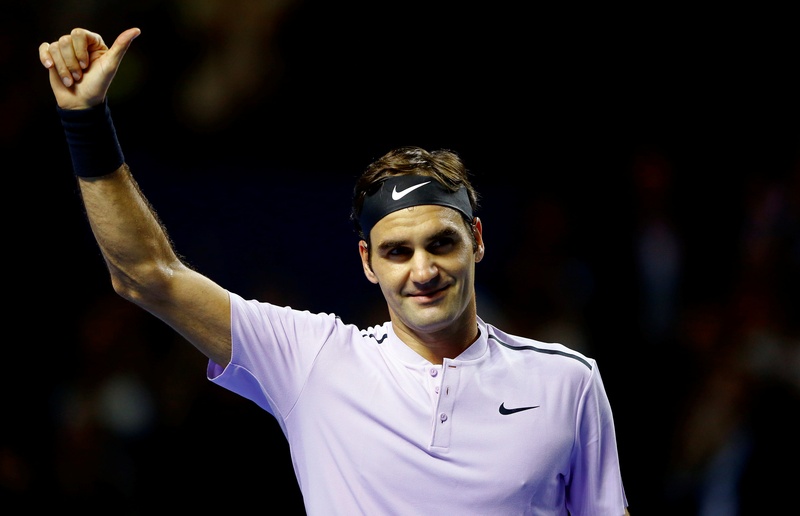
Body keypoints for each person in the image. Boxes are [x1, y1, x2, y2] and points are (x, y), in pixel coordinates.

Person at [39, 26, 631, 515]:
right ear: (367, 264)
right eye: (397, 252)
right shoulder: (314, 359)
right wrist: (84, 118)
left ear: (476, 241)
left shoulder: (569, 383)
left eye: (441, 244)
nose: (422, 269)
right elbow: (146, 274)